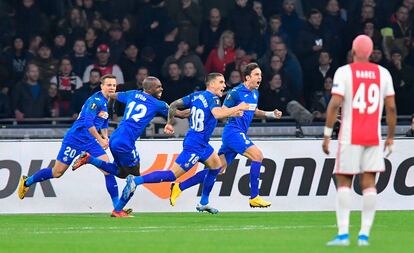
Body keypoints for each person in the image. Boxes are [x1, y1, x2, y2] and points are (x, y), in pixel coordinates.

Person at [113, 72, 249, 216]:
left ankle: (204, 202)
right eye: (221, 82)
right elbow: (217, 114)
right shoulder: (214, 99)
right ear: (212, 84)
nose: (224, 85)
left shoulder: (196, 95)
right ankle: (136, 180)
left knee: (217, 167)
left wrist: (169, 123)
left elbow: (174, 105)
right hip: (195, 144)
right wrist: (237, 108)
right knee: (172, 175)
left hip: (201, 142)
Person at [71, 76, 188, 217]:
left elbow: (112, 95)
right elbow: (180, 114)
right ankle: (118, 210)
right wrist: (199, 109)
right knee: (134, 177)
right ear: (150, 89)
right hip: (125, 143)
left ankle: (89, 159)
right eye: (158, 87)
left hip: (115, 138)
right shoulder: (159, 104)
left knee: (121, 173)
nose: (161, 89)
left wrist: (111, 111)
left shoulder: (132, 94)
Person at [170, 63, 282, 208]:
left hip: (237, 134)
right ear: (247, 77)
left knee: (217, 169)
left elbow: (253, 110)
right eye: (256, 75)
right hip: (233, 132)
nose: (260, 77)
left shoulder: (255, 93)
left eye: (260, 75)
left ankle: (180, 187)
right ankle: (254, 197)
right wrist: (235, 110)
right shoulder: (235, 93)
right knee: (258, 156)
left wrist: (270, 114)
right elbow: (222, 110)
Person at [322, 35, 396, 246]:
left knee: (344, 181)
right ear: (372, 52)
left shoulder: (344, 72)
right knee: (369, 183)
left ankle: (344, 234)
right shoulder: (383, 74)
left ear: (353, 51)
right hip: (373, 137)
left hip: (349, 136)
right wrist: (390, 137)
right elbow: (391, 108)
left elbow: (334, 104)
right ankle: (364, 234)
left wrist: (327, 134)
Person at [17, 74, 124, 212]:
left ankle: (117, 208)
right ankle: (27, 182)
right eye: (109, 85)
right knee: (57, 173)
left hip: (90, 141)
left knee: (108, 169)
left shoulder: (108, 101)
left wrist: (105, 137)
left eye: (114, 85)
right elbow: (88, 123)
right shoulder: (95, 101)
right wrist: (100, 139)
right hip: (74, 140)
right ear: (102, 86)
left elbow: (104, 120)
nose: (112, 88)